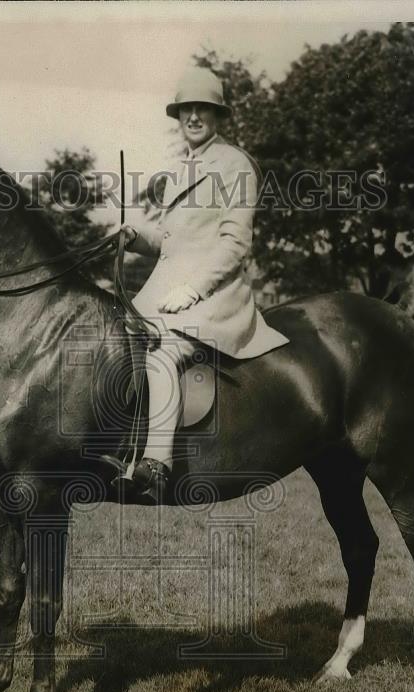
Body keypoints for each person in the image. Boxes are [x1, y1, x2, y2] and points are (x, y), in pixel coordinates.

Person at [115, 67, 289, 503]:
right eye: (186, 109)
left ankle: (156, 466)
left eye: (203, 109)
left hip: (213, 297)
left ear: (218, 116)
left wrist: (193, 290)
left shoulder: (235, 165)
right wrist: (136, 238)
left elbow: (233, 245)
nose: (193, 117)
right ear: (178, 116)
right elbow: (174, 244)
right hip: (166, 293)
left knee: (163, 355)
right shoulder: (179, 169)